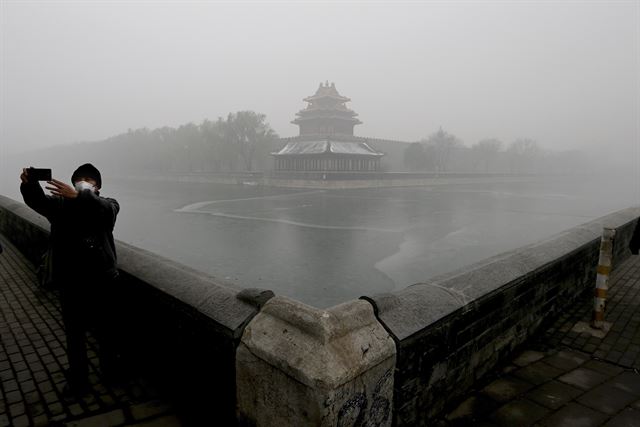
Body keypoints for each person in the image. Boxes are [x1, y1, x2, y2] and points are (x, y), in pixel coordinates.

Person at [20, 163, 121, 395]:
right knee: (74, 334)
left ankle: (110, 372)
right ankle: (78, 379)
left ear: (98, 186)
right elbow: (39, 202)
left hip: (102, 280)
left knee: (107, 331)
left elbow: (106, 211)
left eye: (89, 180)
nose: (84, 182)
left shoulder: (109, 204)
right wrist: (29, 185)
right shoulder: (60, 205)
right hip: (72, 281)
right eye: (80, 179)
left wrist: (80, 196)